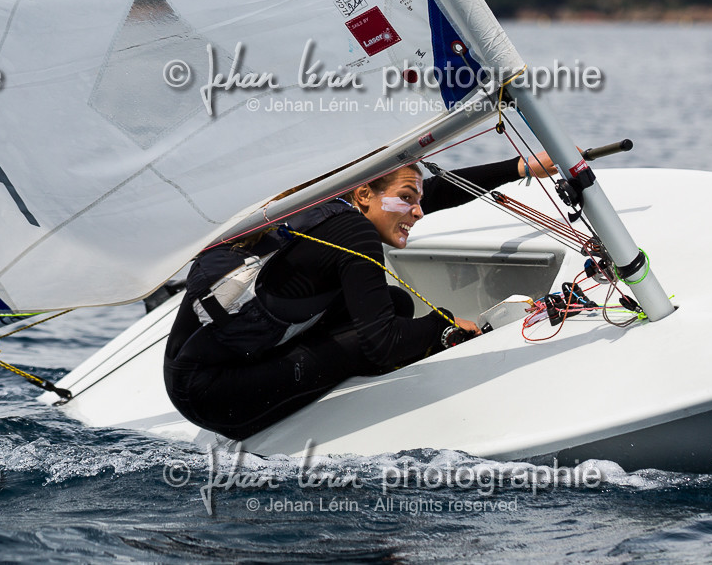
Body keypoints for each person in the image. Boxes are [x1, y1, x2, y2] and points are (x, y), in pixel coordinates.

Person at [163, 153, 556, 441]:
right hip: (212, 398)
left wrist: (520, 168)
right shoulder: (356, 235)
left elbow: (429, 192)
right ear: (364, 195)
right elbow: (382, 345)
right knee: (395, 328)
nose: (418, 212)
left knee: (397, 304)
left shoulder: (327, 208)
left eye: (418, 201)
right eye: (408, 199)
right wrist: (444, 325)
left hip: (192, 368)